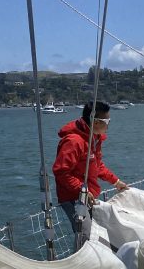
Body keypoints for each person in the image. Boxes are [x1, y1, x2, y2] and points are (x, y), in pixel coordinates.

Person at [52, 100, 128, 242]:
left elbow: (97, 165)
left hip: (87, 195)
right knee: (86, 236)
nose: (108, 125)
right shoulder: (74, 141)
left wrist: (116, 181)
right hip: (73, 198)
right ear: (97, 122)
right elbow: (61, 171)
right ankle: (84, 263)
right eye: (107, 121)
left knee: (95, 233)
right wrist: (82, 190)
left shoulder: (94, 139)